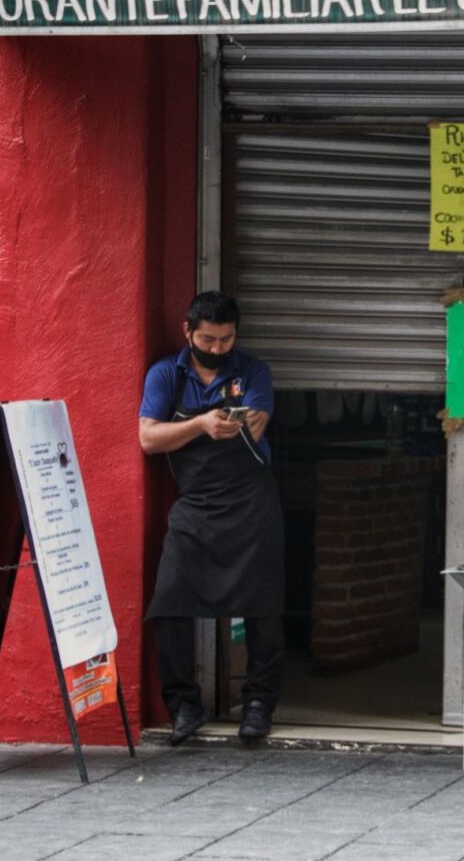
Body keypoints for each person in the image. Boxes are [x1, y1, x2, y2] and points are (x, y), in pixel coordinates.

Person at [139, 290, 285, 744]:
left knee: (264, 605)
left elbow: (257, 418)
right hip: (196, 505)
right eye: (208, 339)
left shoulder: (253, 370)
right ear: (188, 332)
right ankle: (183, 704)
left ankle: (258, 704)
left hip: (251, 503)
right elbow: (148, 437)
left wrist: (240, 421)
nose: (218, 348)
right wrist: (200, 425)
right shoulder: (166, 374)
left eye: (226, 340)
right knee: (170, 601)